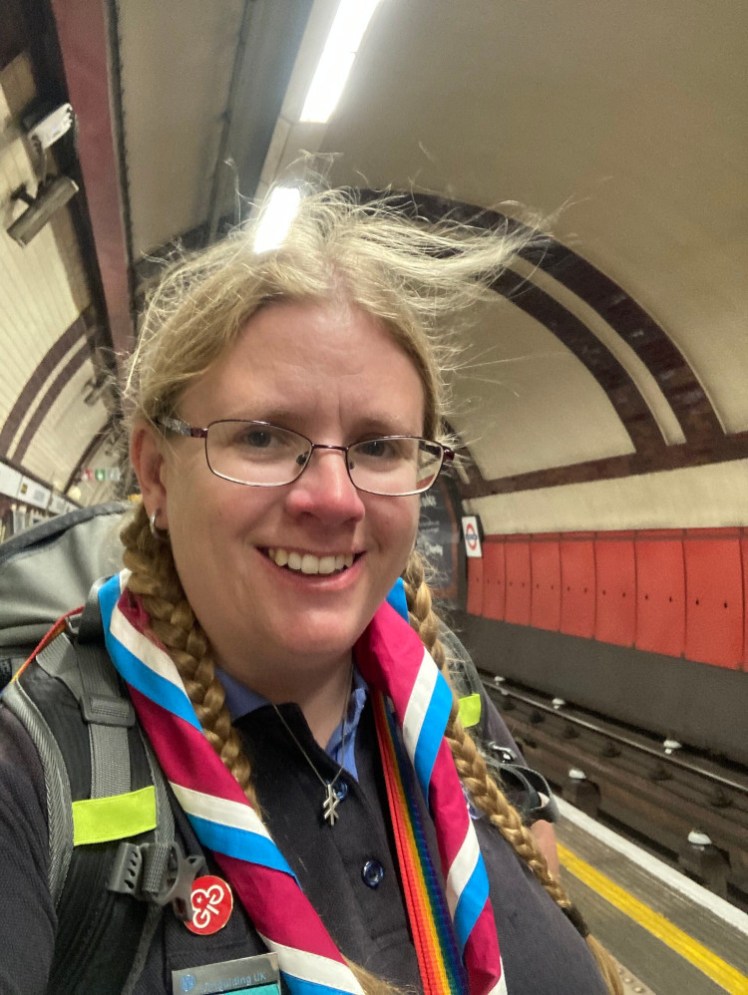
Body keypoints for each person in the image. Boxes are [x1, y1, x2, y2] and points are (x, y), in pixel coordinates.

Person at [0, 188, 620, 994]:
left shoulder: (445, 694)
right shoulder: (35, 774)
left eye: (379, 445)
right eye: (262, 435)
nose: (333, 497)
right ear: (155, 470)